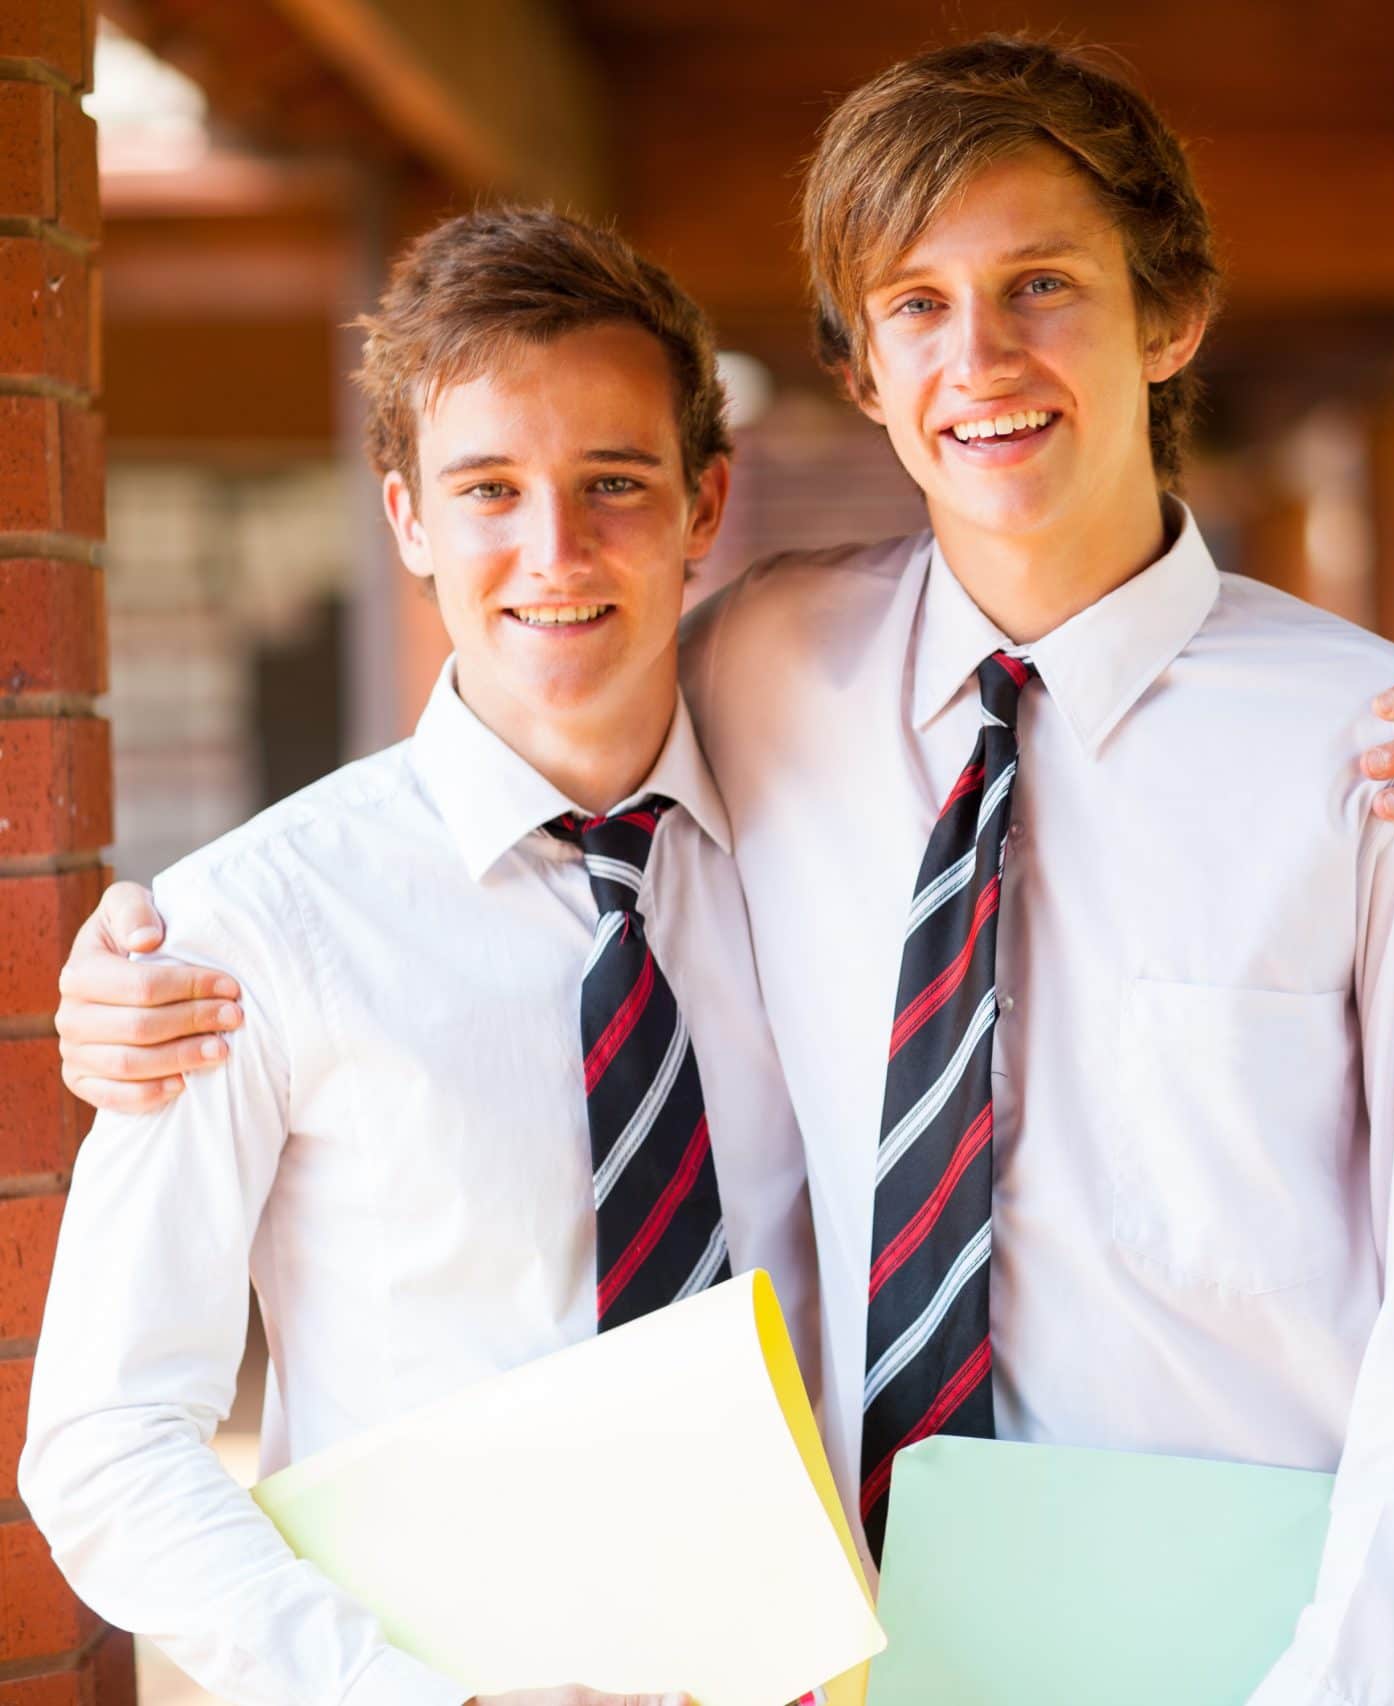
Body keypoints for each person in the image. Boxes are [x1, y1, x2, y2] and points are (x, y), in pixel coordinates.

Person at [53, 39, 1394, 1706]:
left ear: (1172, 314)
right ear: (861, 372)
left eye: (1041, 287)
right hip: (852, 1647)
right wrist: (136, 961)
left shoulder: (1390, 755)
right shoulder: (772, 669)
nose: (980, 357)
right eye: (915, 304)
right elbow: (534, 700)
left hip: (1245, 1636)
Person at [20, 209, 811, 1706]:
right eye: (490, 489)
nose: (555, 551)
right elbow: (105, 1439)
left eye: (615, 484)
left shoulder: (826, 853)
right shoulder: (244, 926)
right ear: (406, 519)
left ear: (708, 503)